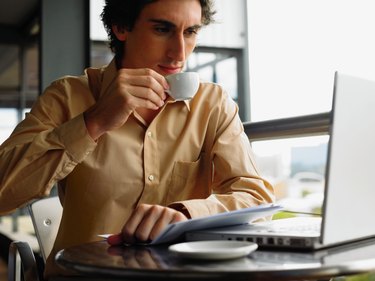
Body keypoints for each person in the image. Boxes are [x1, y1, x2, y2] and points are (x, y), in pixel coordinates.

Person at [0, 0, 274, 277]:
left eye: (190, 32)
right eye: (162, 29)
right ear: (121, 27)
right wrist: (93, 122)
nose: (179, 52)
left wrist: (188, 214)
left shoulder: (213, 104)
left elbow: (257, 199)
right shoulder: (67, 96)